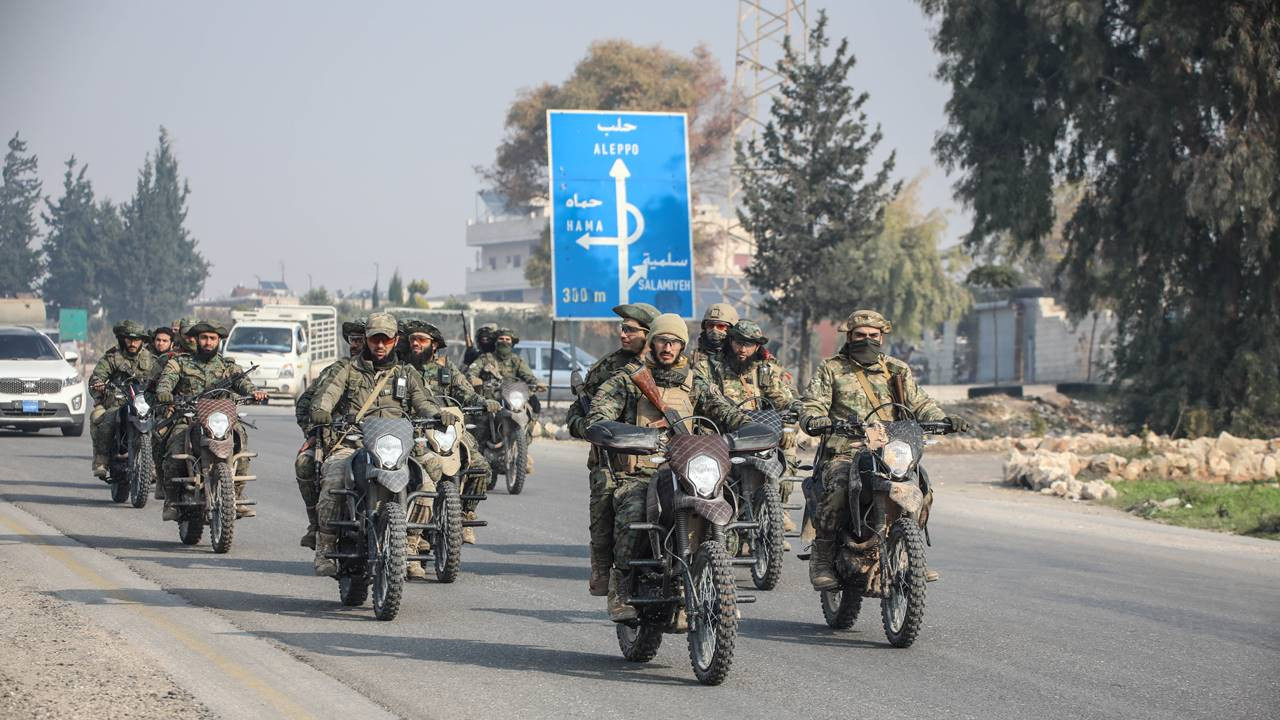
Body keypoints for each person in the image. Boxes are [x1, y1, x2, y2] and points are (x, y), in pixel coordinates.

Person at [584, 313, 747, 621]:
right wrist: (613, 429)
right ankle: (621, 585)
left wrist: (748, 427)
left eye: (674, 342)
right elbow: (599, 413)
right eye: (662, 340)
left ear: (682, 345)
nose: (668, 347)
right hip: (641, 471)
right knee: (632, 510)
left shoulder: (696, 381)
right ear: (652, 342)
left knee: (727, 508)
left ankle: (720, 586)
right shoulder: (628, 379)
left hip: (687, 468)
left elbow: (723, 410)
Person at [797, 309, 967, 589]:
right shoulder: (832, 368)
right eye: (860, 336)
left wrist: (944, 419)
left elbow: (920, 403)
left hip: (892, 451)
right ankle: (822, 559)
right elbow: (813, 403)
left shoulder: (897, 369)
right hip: (846, 450)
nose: (867, 340)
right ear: (849, 337)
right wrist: (816, 419)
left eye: (873, 336)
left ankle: (909, 557)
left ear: (882, 337)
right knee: (838, 489)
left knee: (920, 488)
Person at [306, 312, 440, 577]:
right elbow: (327, 395)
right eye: (374, 339)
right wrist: (322, 410)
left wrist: (435, 414)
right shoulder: (346, 369)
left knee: (426, 485)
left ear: (395, 340)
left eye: (386, 340)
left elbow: (423, 402)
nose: (380, 345)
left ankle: (410, 546)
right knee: (333, 480)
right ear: (366, 339)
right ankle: (325, 548)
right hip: (353, 442)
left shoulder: (406, 373)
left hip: (397, 448)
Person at [564, 302, 659, 596]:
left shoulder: (673, 368)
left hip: (665, 457)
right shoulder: (609, 367)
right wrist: (595, 430)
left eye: (630, 329)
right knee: (604, 507)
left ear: (649, 334)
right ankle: (605, 572)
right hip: (615, 460)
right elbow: (576, 416)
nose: (622, 334)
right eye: (622, 328)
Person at [400, 319, 498, 575]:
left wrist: (484, 401)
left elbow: (467, 394)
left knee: (480, 466)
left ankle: (464, 515)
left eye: (422, 340)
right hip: (414, 431)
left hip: (447, 432)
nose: (416, 343)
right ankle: (411, 537)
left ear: (434, 345)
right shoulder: (403, 369)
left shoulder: (447, 370)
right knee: (419, 477)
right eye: (413, 340)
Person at [154, 321, 268, 521]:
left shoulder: (228, 366)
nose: (208, 342)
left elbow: (244, 383)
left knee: (241, 445)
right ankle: (171, 500)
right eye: (204, 338)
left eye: (212, 338)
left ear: (219, 341)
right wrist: (164, 393)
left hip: (221, 420)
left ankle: (236, 496)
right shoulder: (180, 362)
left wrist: (254, 393)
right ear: (197, 340)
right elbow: (166, 382)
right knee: (174, 450)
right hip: (189, 418)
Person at [703, 320, 804, 539]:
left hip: (761, 432)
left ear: (757, 346)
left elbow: (781, 397)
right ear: (730, 341)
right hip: (726, 433)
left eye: (749, 344)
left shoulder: (764, 369)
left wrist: (798, 413)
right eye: (739, 342)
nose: (743, 349)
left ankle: (776, 515)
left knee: (787, 456)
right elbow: (710, 401)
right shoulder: (714, 367)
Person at [292, 318, 366, 550]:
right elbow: (306, 403)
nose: (357, 345)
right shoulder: (337, 370)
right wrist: (313, 432)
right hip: (338, 438)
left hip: (383, 441)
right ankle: (317, 526)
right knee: (305, 463)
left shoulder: (397, 372)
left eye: (362, 339)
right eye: (353, 340)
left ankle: (415, 539)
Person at [88, 321, 158, 478]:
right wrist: (98, 386)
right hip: (118, 403)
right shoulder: (112, 357)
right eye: (129, 339)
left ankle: (154, 466)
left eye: (136, 339)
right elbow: (97, 377)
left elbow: (163, 378)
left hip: (145, 403)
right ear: (122, 339)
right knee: (105, 421)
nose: (133, 343)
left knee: (161, 426)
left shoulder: (151, 359)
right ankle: (101, 461)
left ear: (142, 340)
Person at [691, 303, 740, 382]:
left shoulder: (741, 355)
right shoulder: (694, 356)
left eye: (720, 326)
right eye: (710, 325)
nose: (714, 330)